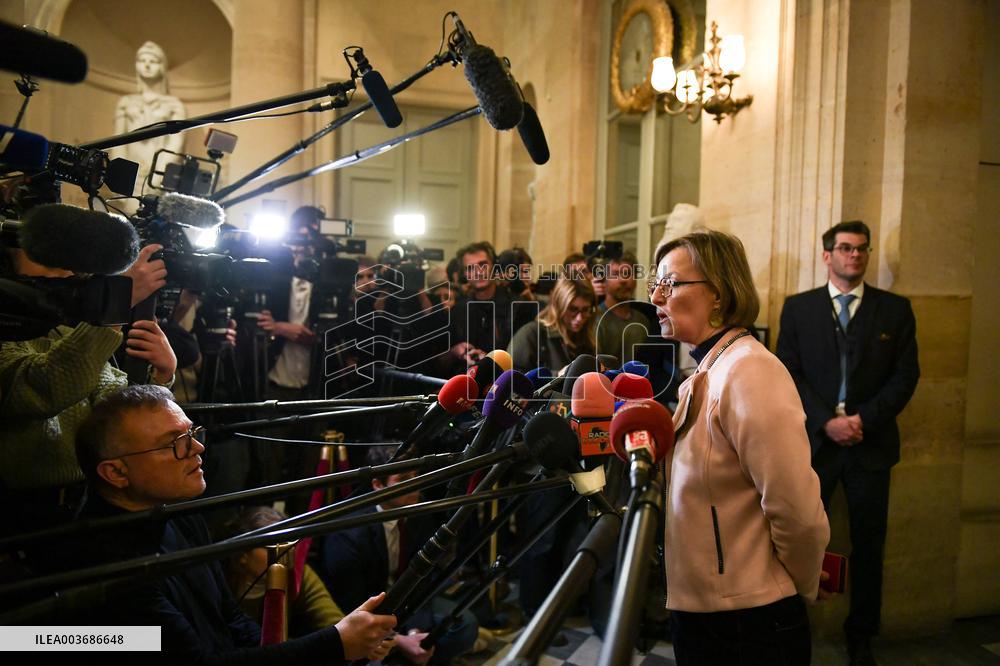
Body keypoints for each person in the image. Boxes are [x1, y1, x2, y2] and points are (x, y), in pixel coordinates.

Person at [73, 385, 397, 663]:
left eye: (192, 433)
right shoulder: (108, 569)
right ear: (116, 472)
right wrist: (335, 644)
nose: (197, 448)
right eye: (175, 443)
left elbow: (228, 616)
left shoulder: (177, 511)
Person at [650, 230, 829, 665]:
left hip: (749, 621)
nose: (656, 296)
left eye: (670, 283)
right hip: (709, 611)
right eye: (654, 283)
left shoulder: (750, 371)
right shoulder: (708, 369)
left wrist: (786, 585)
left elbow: (798, 513)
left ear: (718, 293)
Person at [776, 220, 919, 666]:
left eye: (861, 249)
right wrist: (826, 423)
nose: (854, 255)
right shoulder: (798, 309)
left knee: (869, 545)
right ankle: (788, 626)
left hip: (870, 447)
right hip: (815, 448)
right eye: (845, 248)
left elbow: (905, 375)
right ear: (827, 256)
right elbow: (788, 371)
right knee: (798, 538)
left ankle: (861, 636)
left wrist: (862, 420)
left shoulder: (895, 310)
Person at [0, 228, 176, 533]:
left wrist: (163, 376)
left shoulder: (61, 331)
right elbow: (42, 388)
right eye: (50, 261)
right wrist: (118, 298)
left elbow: (113, 405)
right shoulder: (9, 335)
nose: (68, 272)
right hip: (18, 513)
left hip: (82, 502)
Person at [319, 445, 479, 665]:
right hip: (366, 614)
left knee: (465, 625)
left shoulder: (417, 513)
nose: (415, 486)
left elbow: (424, 578)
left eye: (416, 476)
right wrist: (399, 641)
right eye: (404, 478)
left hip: (407, 605)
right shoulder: (349, 535)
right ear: (377, 485)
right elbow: (350, 605)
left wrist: (414, 630)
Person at [221, 506, 346, 638]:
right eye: (273, 546)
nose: (285, 552)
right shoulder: (220, 581)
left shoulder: (297, 574)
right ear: (243, 554)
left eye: (288, 544)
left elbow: (334, 622)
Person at [448, 241, 535, 372]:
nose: (478, 272)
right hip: (467, 383)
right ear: (464, 274)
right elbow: (439, 363)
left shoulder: (520, 307)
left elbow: (527, 357)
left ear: (494, 266)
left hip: (507, 383)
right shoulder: (458, 310)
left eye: (483, 265)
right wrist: (455, 352)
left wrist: (490, 360)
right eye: (470, 268)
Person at [113, 41, 187, 188]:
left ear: (162, 67)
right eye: (142, 61)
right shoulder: (126, 102)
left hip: (158, 175)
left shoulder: (174, 105)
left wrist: (159, 173)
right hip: (130, 174)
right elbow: (117, 142)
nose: (147, 65)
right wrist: (119, 174)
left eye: (153, 61)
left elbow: (175, 145)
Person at [507, 278, 597, 373]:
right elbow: (510, 381)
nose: (579, 318)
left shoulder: (587, 338)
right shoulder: (530, 335)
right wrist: (556, 376)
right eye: (572, 309)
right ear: (558, 306)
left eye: (585, 310)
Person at [595, 250, 652, 364]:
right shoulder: (595, 319)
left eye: (627, 274)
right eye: (615, 274)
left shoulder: (643, 320)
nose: (623, 280)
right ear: (604, 280)